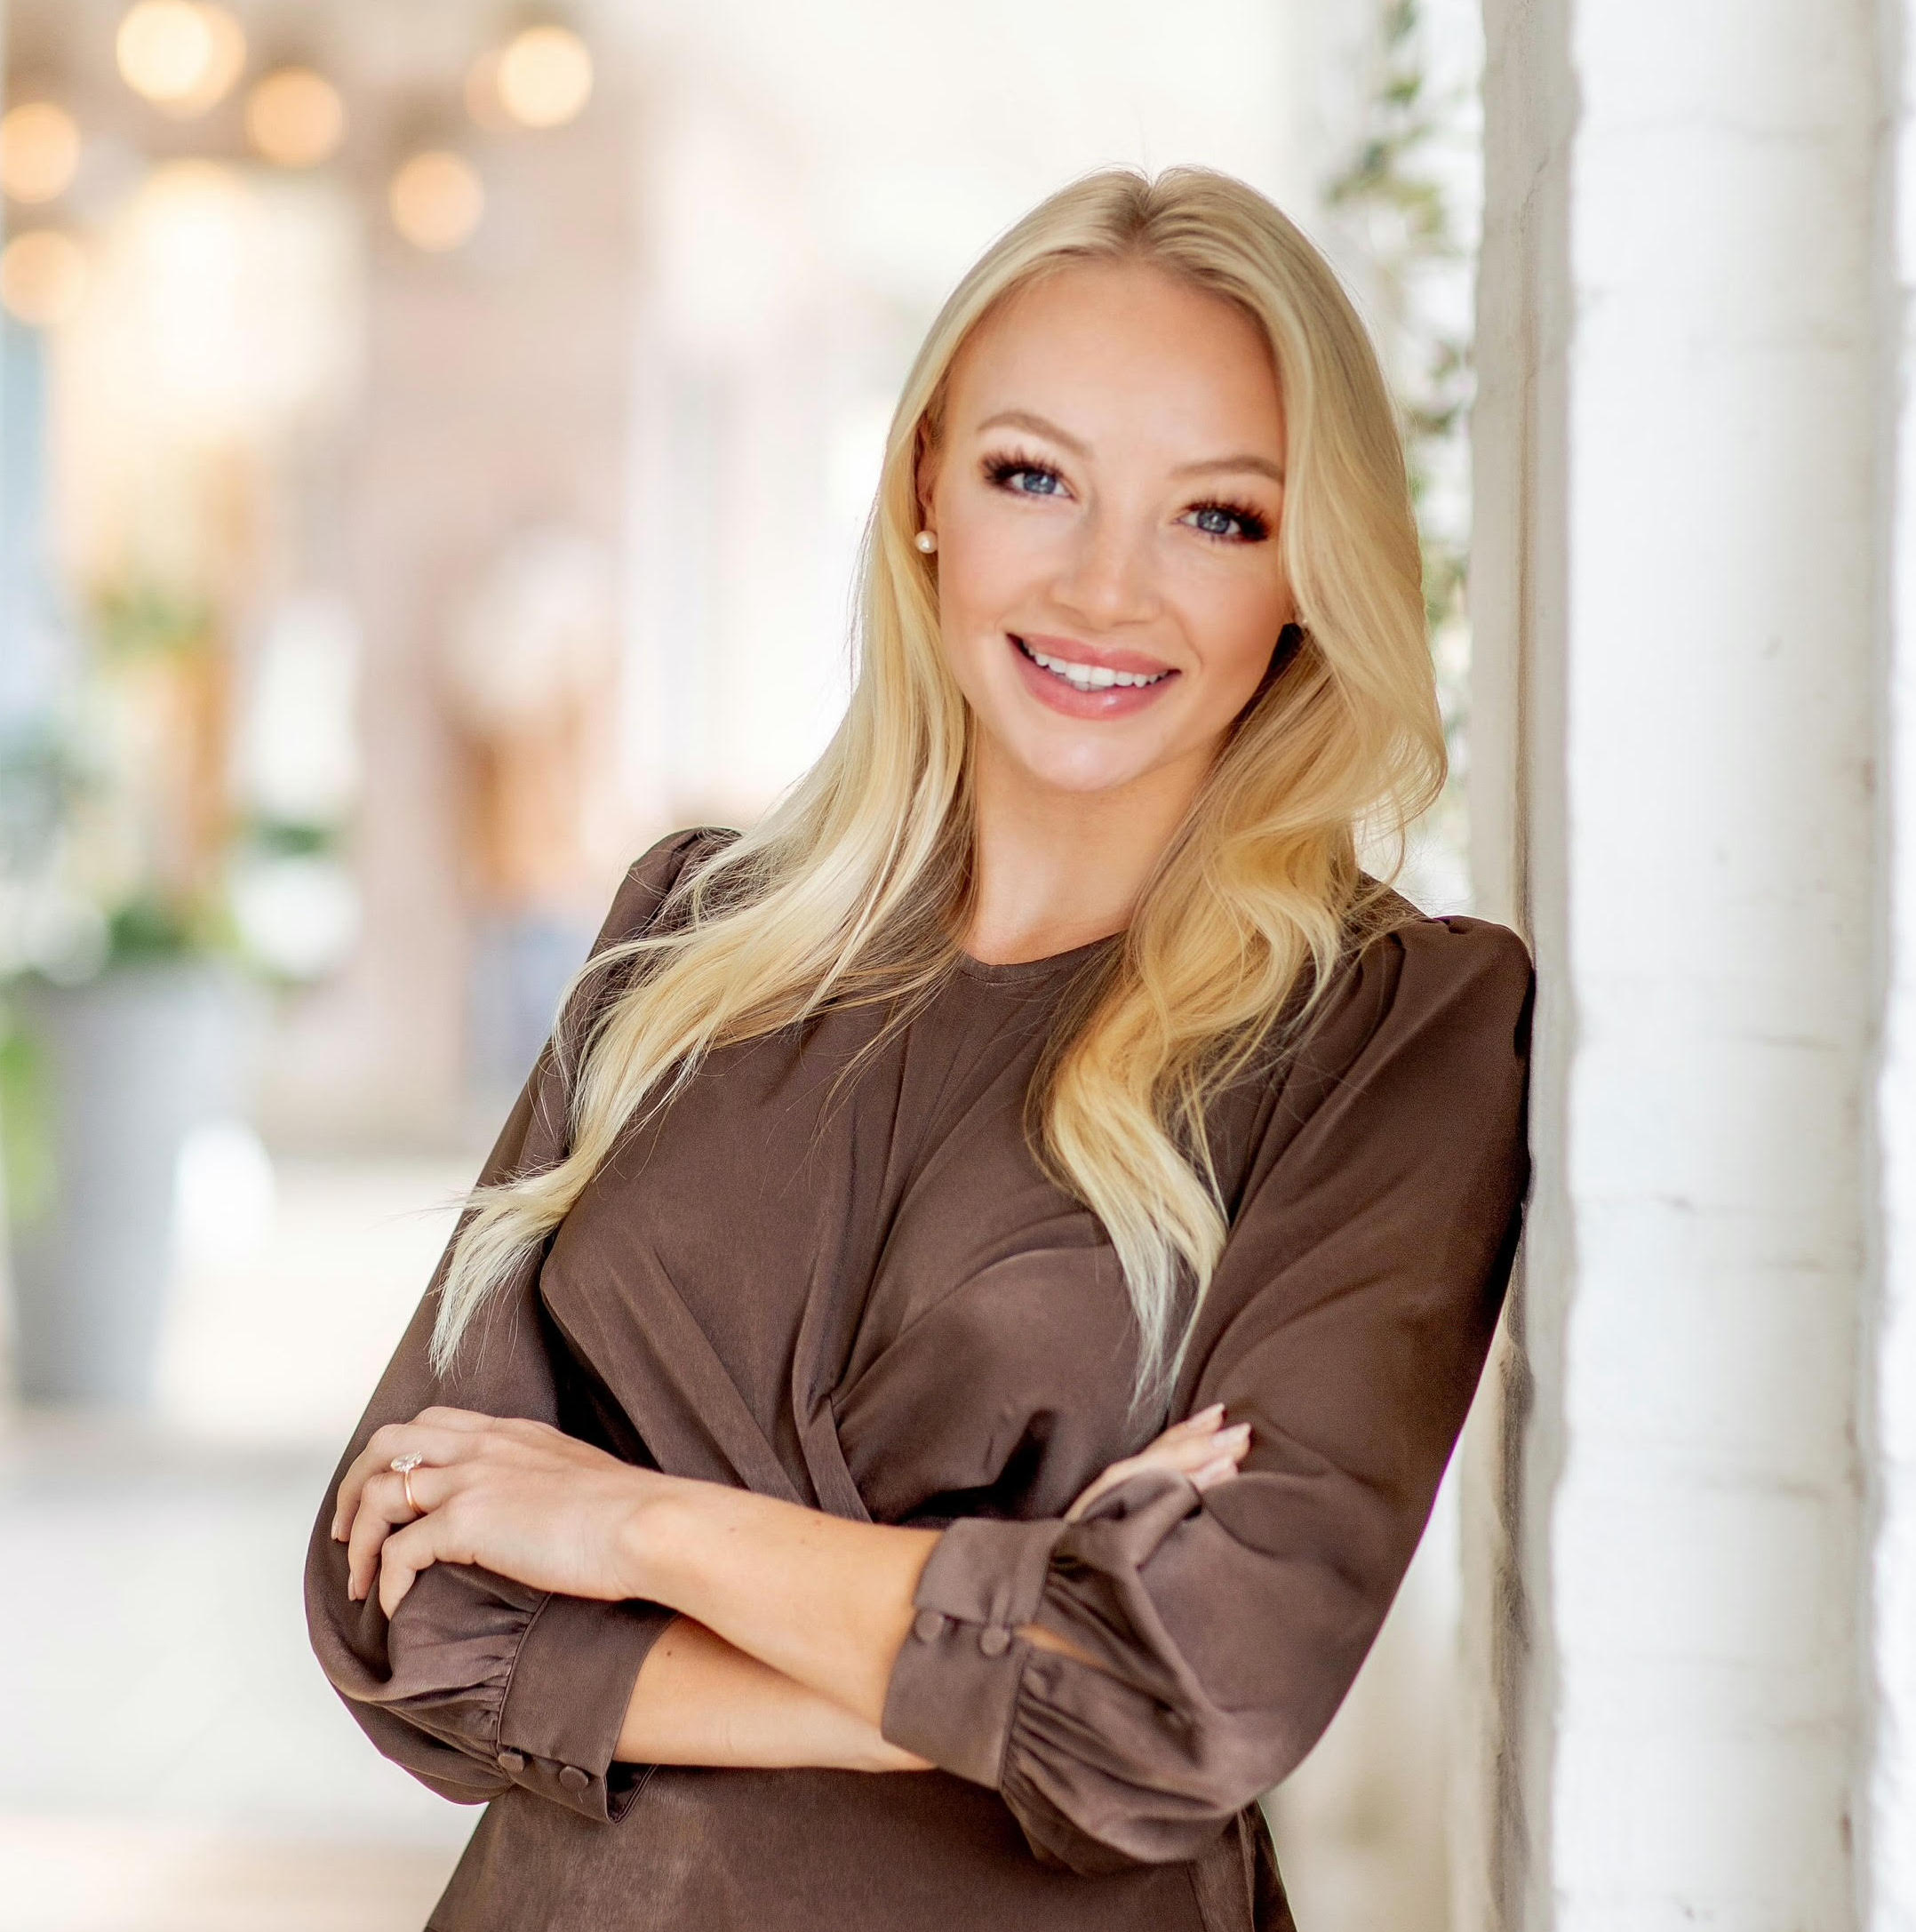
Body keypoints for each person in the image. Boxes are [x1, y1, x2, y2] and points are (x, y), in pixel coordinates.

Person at [307, 164, 1532, 1932]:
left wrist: (630, 1530)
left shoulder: (1387, 1031)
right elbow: (397, 1609)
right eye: (1035, 477)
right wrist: (1001, 1643)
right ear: (923, 494)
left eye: (1219, 516)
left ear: (1308, 572)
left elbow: (1183, 1696)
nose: (1109, 590)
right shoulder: (690, 927)